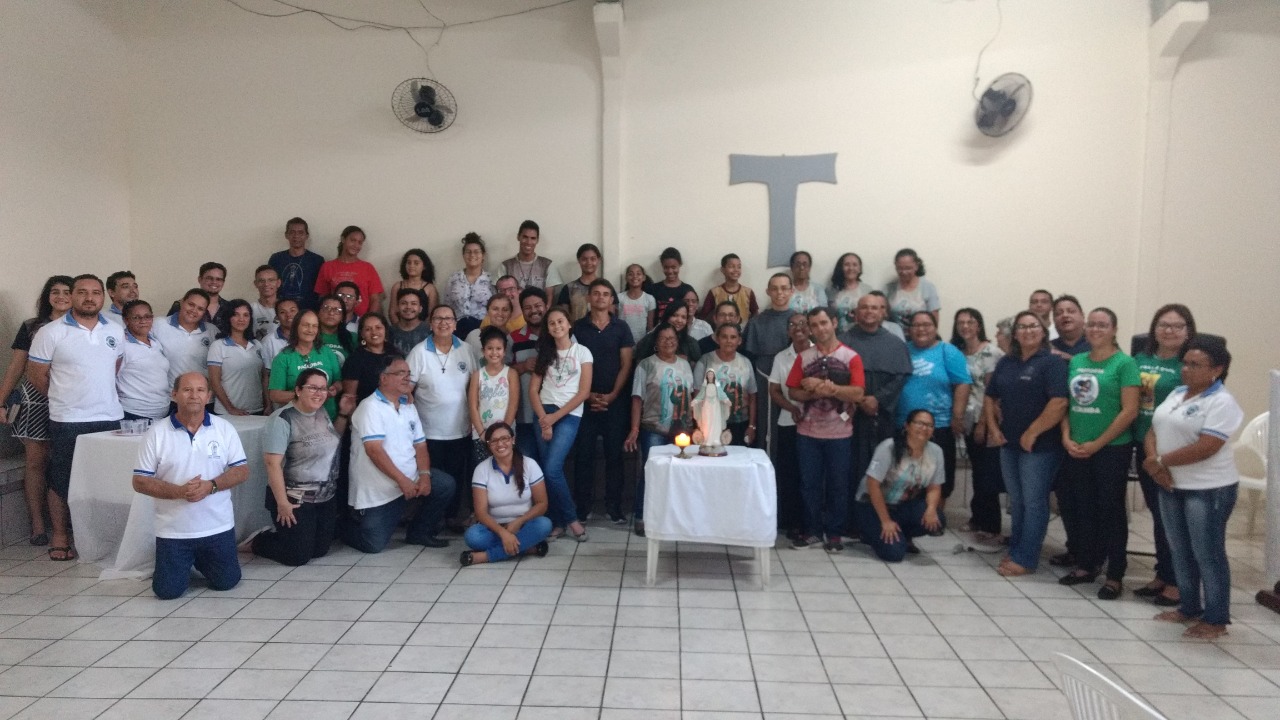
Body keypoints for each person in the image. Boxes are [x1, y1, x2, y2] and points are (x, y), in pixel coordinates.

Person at [1146, 338, 1243, 639]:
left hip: (1208, 488)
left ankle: (1216, 619)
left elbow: (1207, 447)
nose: (1186, 369)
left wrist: (1159, 462)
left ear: (1217, 369)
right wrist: (1155, 464)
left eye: (1195, 365)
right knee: (1180, 550)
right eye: (1185, 363)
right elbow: (1153, 430)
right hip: (1170, 483)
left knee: (1207, 553)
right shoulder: (1177, 393)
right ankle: (1188, 607)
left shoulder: (1222, 402)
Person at [27, 275, 125, 561]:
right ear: (72, 296)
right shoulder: (50, 332)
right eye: (82, 292)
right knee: (62, 478)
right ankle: (60, 536)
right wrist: (66, 397)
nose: (89, 298)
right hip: (68, 419)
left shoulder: (115, 329)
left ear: (103, 297)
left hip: (109, 416)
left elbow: (115, 366)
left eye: (95, 293)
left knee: (105, 480)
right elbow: (36, 376)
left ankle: (103, 537)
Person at [132, 373, 247, 598]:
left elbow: (242, 470)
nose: (194, 395)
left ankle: (199, 561)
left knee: (227, 582)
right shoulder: (156, 432)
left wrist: (211, 486)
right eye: (187, 390)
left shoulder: (224, 428)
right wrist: (180, 492)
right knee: (167, 592)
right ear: (174, 395)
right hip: (174, 531)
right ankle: (186, 562)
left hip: (217, 527)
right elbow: (140, 481)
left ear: (208, 396)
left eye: (200, 390)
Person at [1058, 308, 1140, 600]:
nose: (1095, 329)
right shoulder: (1077, 361)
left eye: (1102, 325)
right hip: (1077, 448)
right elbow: (1067, 404)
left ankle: (1115, 575)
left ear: (1114, 329)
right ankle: (1086, 565)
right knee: (1083, 508)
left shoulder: (1125, 363)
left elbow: (1130, 410)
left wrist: (1098, 443)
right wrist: (1066, 437)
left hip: (1111, 450)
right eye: (1091, 324)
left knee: (1111, 512)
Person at [983, 311, 1068, 577]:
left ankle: (1027, 557)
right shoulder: (1006, 362)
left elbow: (1059, 402)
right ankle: (1017, 549)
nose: (1028, 331)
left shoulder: (1052, 363)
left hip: (1041, 446)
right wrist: (993, 428)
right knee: (1017, 501)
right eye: (1022, 327)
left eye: (1033, 326)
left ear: (1043, 332)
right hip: (1008, 443)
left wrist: (1033, 432)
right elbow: (990, 396)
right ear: (1015, 334)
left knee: (1033, 502)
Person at [347, 356, 456, 552]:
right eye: (400, 373)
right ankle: (343, 525)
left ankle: (419, 533)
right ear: (383, 378)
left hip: (409, 478)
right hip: (380, 488)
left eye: (408, 373)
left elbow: (420, 445)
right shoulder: (370, 407)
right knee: (373, 545)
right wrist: (402, 481)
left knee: (444, 484)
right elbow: (374, 451)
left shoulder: (408, 406)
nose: (407, 378)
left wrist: (424, 475)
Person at [251, 368, 354, 566]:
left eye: (323, 389)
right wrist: (282, 502)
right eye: (313, 388)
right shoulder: (282, 419)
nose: (319, 393)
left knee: (320, 550)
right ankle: (259, 541)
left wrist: (343, 413)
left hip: (325, 496)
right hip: (295, 498)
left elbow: (333, 441)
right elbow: (272, 464)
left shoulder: (321, 412)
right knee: (297, 557)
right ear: (298, 390)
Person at [0, 276, 73, 546]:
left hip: (72, 401)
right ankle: (38, 524)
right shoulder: (32, 327)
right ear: (47, 296)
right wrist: (1, 401)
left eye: (67, 291)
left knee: (66, 462)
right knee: (35, 462)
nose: (61, 296)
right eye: (55, 292)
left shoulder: (84, 326)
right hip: (36, 401)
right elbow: (16, 366)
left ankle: (67, 523)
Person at [1132, 304, 1197, 607]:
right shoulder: (1139, 359)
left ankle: (1178, 582)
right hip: (1143, 446)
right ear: (1154, 329)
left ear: (1188, 331)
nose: (1169, 330)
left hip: (1172, 450)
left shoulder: (1190, 365)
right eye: (1163, 324)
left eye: (1177, 326)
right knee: (1159, 516)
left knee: (1174, 519)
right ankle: (1163, 573)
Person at [786, 307, 865, 552]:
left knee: (837, 485)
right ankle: (812, 531)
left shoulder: (851, 357)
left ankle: (834, 534)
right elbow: (793, 391)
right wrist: (811, 392)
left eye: (823, 323)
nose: (819, 329)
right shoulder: (804, 358)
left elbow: (858, 393)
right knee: (809, 484)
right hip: (807, 433)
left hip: (839, 433)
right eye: (814, 325)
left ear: (834, 323)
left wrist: (827, 387)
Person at [840, 292, 913, 509]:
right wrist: (859, 400)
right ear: (856, 313)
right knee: (849, 466)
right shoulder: (843, 341)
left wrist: (877, 400)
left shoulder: (895, 343)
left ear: (883, 312)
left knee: (881, 466)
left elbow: (900, 377)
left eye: (874, 307)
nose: (869, 311)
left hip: (883, 416)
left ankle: (878, 515)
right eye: (864, 307)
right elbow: (836, 375)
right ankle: (851, 517)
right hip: (849, 415)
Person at [406, 304, 477, 523]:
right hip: (429, 432)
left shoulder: (466, 349)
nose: (443, 323)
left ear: (455, 324)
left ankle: (452, 519)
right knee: (433, 480)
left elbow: (475, 386)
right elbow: (406, 389)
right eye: (438, 318)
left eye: (448, 319)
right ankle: (431, 522)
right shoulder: (418, 352)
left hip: (460, 429)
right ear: (431, 323)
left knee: (456, 478)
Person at [571, 280, 634, 523]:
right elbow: (572, 365)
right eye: (596, 293)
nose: (600, 298)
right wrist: (587, 395)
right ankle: (582, 508)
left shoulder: (621, 328)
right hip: (583, 402)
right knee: (583, 456)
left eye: (605, 294)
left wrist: (613, 395)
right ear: (588, 298)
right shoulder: (577, 328)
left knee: (614, 456)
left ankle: (614, 507)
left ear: (612, 300)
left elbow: (626, 364)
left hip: (614, 403)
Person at [624, 323, 695, 538]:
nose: (668, 342)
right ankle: (642, 516)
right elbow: (637, 399)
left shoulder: (685, 365)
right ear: (656, 342)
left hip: (682, 429)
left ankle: (675, 518)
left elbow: (692, 396)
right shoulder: (645, 365)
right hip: (653, 427)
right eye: (663, 338)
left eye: (672, 338)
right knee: (651, 473)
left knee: (680, 474)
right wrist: (634, 428)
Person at [529, 307, 592, 541]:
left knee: (552, 468)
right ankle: (558, 522)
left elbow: (584, 392)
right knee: (548, 470)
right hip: (543, 413)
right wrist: (544, 419)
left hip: (568, 415)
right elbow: (533, 391)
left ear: (569, 324)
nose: (557, 326)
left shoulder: (583, 352)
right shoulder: (545, 353)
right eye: (552, 323)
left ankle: (571, 520)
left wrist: (553, 419)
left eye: (560, 321)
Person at [853, 409, 945, 562]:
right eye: (919, 423)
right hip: (872, 505)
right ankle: (871, 533)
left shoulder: (936, 452)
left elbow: (934, 487)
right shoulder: (888, 447)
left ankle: (903, 535)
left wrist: (931, 510)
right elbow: (872, 484)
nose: (924, 428)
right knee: (894, 554)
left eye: (930, 425)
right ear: (907, 426)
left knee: (938, 519)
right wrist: (885, 521)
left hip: (903, 506)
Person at [899, 311, 971, 504]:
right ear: (909, 329)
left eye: (926, 325)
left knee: (938, 477)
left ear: (935, 327)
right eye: (916, 325)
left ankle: (934, 514)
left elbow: (963, 383)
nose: (921, 329)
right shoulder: (902, 350)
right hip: (904, 424)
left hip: (939, 425)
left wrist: (957, 416)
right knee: (904, 475)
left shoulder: (948, 352)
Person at [461, 422, 553, 566]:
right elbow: (480, 513)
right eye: (494, 441)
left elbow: (542, 504)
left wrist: (518, 522)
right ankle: (527, 547)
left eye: (504, 438)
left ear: (513, 440)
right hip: (494, 528)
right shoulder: (481, 469)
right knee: (472, 536)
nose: (500, 444)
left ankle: (485, 556)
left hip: (523, 525)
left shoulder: (530, 464)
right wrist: (503, 533)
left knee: (544, 524)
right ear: (488, 445)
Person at [951, 308, 1005, 539]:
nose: (965, 326)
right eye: (961, 322)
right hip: (966, 418)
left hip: (986, 419)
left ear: (979, 325)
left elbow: (992, 392)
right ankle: (977, 517)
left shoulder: (991, 352)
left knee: (987, 473)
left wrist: (984, 423)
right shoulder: (956, 353)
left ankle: (990, 525)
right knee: (977, 471)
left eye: (970, 322)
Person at [769, 313, 811, 538]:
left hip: (817, 424)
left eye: (803, 323)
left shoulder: (820, 352)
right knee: (790, 474)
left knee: (811, 474)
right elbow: (774, 390)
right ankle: (791, 521)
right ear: (787, 331)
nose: (798, 327)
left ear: (810, 328)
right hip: (788, 421)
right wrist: (791, 408)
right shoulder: (781, 357)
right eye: (793, 324)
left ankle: (811, 521)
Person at [744, 273, 795, 454]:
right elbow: (748, 358)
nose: (779, 292)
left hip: (794, 383)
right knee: (766, 429)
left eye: (784, 288)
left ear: (792, 291)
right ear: (768, 291)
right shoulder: (756, 322)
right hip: (764, 380)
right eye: (774, 288)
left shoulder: (799, 321)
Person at [268, 310, 343, 420]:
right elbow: (275, 395)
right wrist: (304, 395)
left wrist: (334, 389)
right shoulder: (283, 358)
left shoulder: (327, 352)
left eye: (314, 326)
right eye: (306, 325)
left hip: (328, 418)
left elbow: (339, 382)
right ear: (296, 327)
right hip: (297, 420)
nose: (310, 330)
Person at [694, 324, 757, 446]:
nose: (729, 341)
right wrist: (699, 426)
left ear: (739, 340)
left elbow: (752, 396)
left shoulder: (746, 362)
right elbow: (697, 396)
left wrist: (751, 426)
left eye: (733, 337)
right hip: (711, 423)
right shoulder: (705, 361)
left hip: (740, 424)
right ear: (717, 339)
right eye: (724, 337)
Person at [207, 300, 264, 416]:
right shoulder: (218, 346)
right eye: (236, 315)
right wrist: (231, 408)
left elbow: (264, 378)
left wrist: (268, 405)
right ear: (228, 317)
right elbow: (214, 381)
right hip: (227, 412)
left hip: (257, 409)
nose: (241, 319)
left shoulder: (257, 345)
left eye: (246, 315)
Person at [117, 300, 171, 421]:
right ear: (126, 320)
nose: (143, 321)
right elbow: (111, 378)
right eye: (136, 317)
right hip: (133, 414)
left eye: (147, 316)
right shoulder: (122, 344)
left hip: (161, 413)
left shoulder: (155, 342)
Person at [468, 327, 519, 456]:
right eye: (490, 348)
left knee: (505, 465)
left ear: (504, 351)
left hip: (506, 435)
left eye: (498, 348)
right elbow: (473, 407)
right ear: (483, 351)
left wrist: (504, 433)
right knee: (485, 466)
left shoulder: (511, 373)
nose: (494, 352)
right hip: (482, 435)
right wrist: (481, 433)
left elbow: (513, 405)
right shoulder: (477, 375)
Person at [314, 225, 384, 317]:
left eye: (360, 242)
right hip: (334, 320)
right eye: (353, 240)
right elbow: (323, 298)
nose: (356, 245)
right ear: (343, 239)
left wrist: (368, 320)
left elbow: (375, 299)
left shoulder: (368, 268)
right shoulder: (327, 267)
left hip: (361, 321)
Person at [511, 288, 547, 463]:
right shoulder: (513, 338)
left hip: (554, 415)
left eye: (538, 305)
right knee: (528, 467)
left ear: (546, 306)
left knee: (551, 466)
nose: (533, 311)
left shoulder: (561, 333)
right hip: (524, 416)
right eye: (527, 307)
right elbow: (500, 372)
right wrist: (523, 366)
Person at [154, 289, 215, 387]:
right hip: (169, 394)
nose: (194, 310)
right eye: (191, 304)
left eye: (200, 309)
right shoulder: (158, 324)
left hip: (201, 394)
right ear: (182, 302)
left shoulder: (212, 331)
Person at [341, 312, 402, 405]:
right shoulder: (355, 359)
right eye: (368, 329)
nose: (374, 332)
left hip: (396, 408)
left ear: (385, 330)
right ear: (362, 334)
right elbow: (350, 397)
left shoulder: (396, 355)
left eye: (378, 327)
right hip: (366, 410)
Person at [269, 217, 325, 310]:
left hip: (308, 310)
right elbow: (270, 285)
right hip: (282, 310)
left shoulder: (317, 260)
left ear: (307, 236)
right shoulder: (276, 259)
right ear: (286, 235)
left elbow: (322, 290)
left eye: (300, 232)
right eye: (292, 232)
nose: (296, 236)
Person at [445, 232, 494, 339]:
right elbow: (447, 306)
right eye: (468, 252)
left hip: (483, 330)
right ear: (463, 255)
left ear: (483, 255)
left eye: (476, 252)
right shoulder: (453, 279)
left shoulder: (491, 279)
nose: (472, 255)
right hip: (457, 330)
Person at [885, 248, 941, 331]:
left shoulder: (928, 287)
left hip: (921, 334)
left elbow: (934, 320)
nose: (904, 272)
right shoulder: (889, 288)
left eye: (908, 268)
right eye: (900, 268)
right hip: (895, 335)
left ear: (916, 266)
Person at [501, 220, 562, 294]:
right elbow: (500, 295)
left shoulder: (548, 265)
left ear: (537, 240)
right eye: (525, 237)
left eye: (533, 238)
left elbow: (549, 297)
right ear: (518, 237)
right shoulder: (506, 266)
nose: (528, 242)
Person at [258, 298, 298, 410]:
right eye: (282, 312)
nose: (288, 315)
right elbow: (267, 376)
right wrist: (268, 405)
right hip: (280, 404)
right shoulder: (268, 341)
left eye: (292, 310)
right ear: (277, 317)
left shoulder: (308, 337)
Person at [634, 299, 701, 364]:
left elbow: (698, 366)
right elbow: (640, 364)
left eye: (683, 317)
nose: (679, 320)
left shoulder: (691, 343)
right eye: (675, 315)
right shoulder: (650, 339)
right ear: (667, 316)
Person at [699, 253, 759, 323]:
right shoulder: (714, 292)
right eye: (731, 266)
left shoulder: (748, 292)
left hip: (743, 329)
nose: (736, 270)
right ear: (723, 270)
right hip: (720, 329)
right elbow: (704, 316)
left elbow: (755, 315)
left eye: (739, 267)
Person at [167, 262, 230, 328]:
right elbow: (168, 329)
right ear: (200, 279)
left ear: (223, 282)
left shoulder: (230, 308)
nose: (214, 282)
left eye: (219, 279)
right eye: (209, 278)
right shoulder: (181, 305)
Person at [555, 243, 602, 322]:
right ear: (579, 260)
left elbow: (612, 316)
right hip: (576, 329)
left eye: (593, 259)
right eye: (584, 259)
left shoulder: (606, 288)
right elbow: (563, 318)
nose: (589, 262)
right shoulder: (569, 288)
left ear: (598, 260)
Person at [644, 246, 695, 319]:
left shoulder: (688, 290)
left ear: (680, 265)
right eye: (666, 267)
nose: (670, 271)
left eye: (673, 267)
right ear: (662, 266)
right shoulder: (653, 289)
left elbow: (691, 315)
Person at [388, 249, 439, 319]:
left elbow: (432, 314)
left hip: (424, 325)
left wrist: (422, 326)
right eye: (409, 263)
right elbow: (392, 312)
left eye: (416, 263)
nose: (411, 266)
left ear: (424, 266)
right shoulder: (397, 286)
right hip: (400, 325)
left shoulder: (430, 288)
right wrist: (398, 326)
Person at [464, 294, 515, 362]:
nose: (500, 313)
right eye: (495, 309)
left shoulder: (513, 339)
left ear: (511, 313)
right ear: (487, 312)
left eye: (505, 310)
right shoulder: (474, 336)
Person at [828, 252, 869, 335]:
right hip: (837, 336)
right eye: (847, 265)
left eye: (855, 265)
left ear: (859, 269)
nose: (851, 268)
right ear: (841, 268)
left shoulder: (867, 290)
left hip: (862, 335)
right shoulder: (831, 291)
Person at [618, 263, 656, 344]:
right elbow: (614, 322)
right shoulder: (619, 298)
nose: (635, 276)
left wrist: (648, 343)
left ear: (644, 277)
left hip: (641, 342)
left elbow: (650, 326)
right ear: (626, 278)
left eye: (638, 274)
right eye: (631, 274)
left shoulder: (649, 299)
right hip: (622, 341)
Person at [389, 288, 431, 356]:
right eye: (404, 303)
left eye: (413, 303)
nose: (408, 307)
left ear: (420, 308)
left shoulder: (430, 331)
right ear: (397, 307)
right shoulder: (389, 332)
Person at [316, 294, 355, 364]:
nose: (331, 313)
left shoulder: (352, 338)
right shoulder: (309, 336)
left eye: (337, 310)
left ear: (342, 316)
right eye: (326, 308)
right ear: (318, 312)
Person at [249, 265, 281, 341]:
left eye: (271, 280)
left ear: (278, 283)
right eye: (261, 281)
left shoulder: (287, 309)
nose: (266, 284)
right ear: (255, 284)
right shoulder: (250, 309)